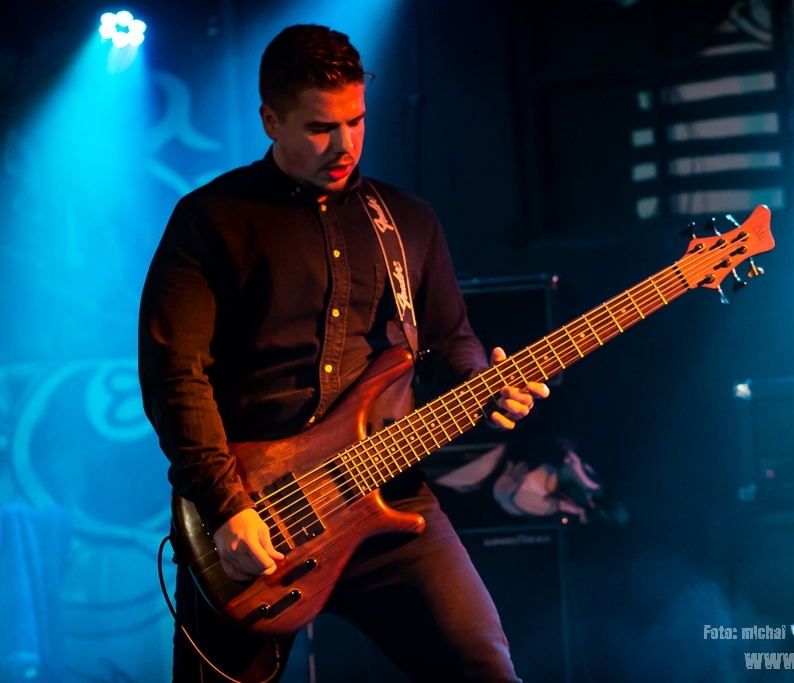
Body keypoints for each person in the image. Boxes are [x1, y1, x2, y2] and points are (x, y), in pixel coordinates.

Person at [139, 24, 548, 683]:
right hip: (254, 514)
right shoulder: (210, 219)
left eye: (356, 121)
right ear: (270, 120)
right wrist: (224, 505)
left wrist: (484, 380)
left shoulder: (407, 219)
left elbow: (450, 338)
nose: (345, 145)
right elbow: (175, 376)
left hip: (389, 495)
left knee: (484, 669)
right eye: (320, 127)